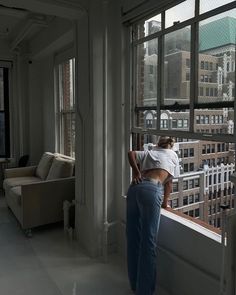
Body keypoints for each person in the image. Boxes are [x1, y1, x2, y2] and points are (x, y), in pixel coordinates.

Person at [126, 136, 180, 295]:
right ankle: (144, 292)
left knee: (133, 237)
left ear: (158, 144)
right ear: (171, 146)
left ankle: (134, 285)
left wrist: (136, 172)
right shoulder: (173, 155)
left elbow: (131, 153)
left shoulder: (150, 152)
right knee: (148, 243)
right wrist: (165, 203)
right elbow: (169, 183)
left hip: (134, 189)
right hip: (151, 190)